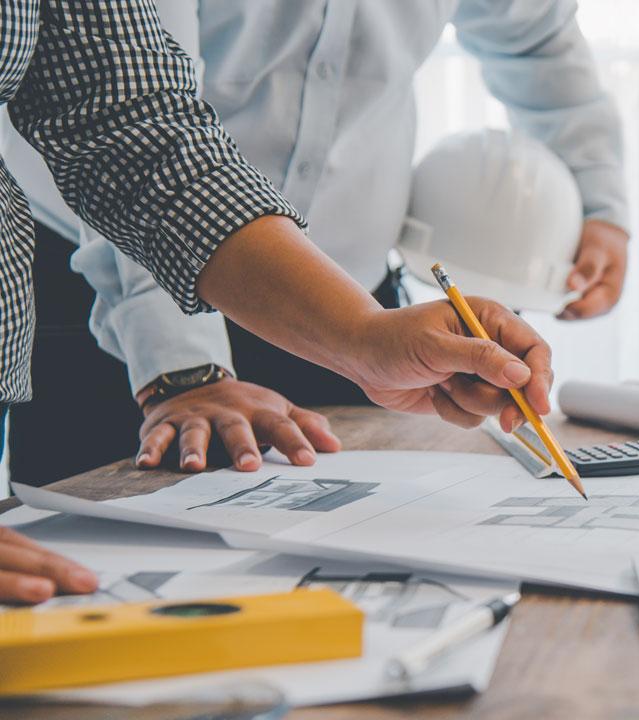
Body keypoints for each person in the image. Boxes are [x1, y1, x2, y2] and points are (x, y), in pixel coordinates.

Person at [0, 1, 552, 604]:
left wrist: (365, 335)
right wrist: (183, 367)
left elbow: (134, 127)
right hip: (103, 295)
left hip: (309, 291)